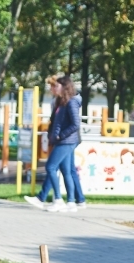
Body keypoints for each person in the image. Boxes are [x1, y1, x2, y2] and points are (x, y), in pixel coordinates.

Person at [24, 76, 80, 213]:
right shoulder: (61, 101)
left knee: (50, 167)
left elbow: (75, 124)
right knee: (66, 170)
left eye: (57, 86)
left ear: (64, 87)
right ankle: (71, 202)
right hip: (62, 140)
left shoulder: (71, 102)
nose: (54, 88)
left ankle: (59, 200)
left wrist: (61, 135)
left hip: (66, 141)